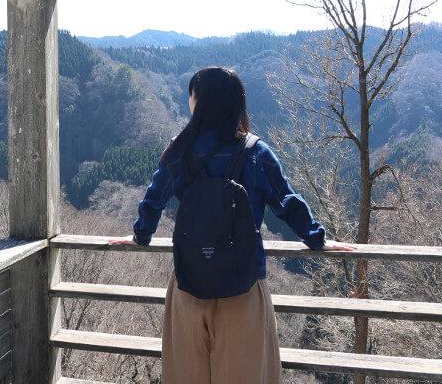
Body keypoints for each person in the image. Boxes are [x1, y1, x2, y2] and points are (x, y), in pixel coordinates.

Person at [109, 66, 355, 384]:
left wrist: (140, 235)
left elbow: (153, 201)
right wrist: (316, 238)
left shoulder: (179, 149)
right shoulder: (255, 152)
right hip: (244, 286)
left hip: (189, 283)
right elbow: (287, 201)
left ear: (199, 101)